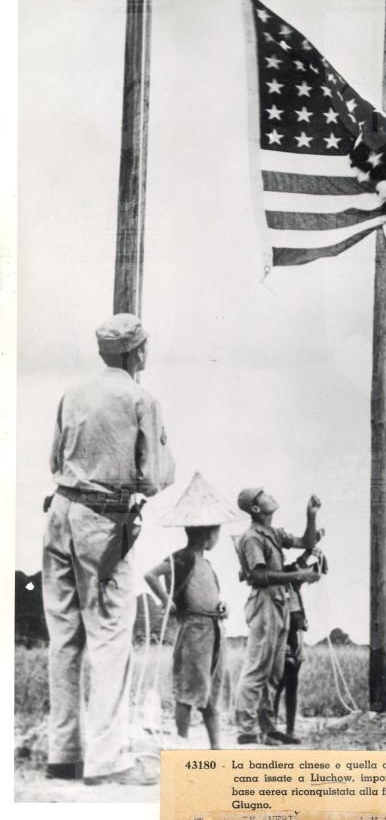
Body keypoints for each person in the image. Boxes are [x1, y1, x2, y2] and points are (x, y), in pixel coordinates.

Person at [43, 313, 175, 785]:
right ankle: (108, 761)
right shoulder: (141, 399)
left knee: (65, 638)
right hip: (103, 521)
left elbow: (54, 460)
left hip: (60, 512)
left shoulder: (72, 393)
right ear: (137, 351)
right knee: (109, 639)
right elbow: (156, 477)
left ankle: (63, 754)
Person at [234, 488, 322, 745]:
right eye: (262, 495)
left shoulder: (272, 533)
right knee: (257, 668)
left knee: (273, 670)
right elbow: (259, 576)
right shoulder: (252, 538)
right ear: (255, 508)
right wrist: (298, 575)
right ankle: (246, 730)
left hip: (279, 603)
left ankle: (267, 728)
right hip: (265, 603)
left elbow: (307, 542)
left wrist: (311, 515)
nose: (270, 495)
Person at [145, 524, 227, 748]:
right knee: (187, 690)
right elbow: (151, 575)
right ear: (207, 535)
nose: (217, 538)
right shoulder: (182, 558)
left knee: (211, 692)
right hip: (194, 630)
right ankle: (182, 744)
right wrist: (166, 599)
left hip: (214, 629)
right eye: (216, 533)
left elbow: (210, 596)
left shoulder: (206, 564)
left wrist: (222, 607)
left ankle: (216, 747)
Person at [274, 546, 327, 741]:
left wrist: (314, 552)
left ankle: (288, 729)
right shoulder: (270, 579)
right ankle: (273, 728)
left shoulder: (290, 574)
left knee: (290, 683)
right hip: (281, 636)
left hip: (295, 634)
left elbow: (310, 567)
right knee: (279, 683)